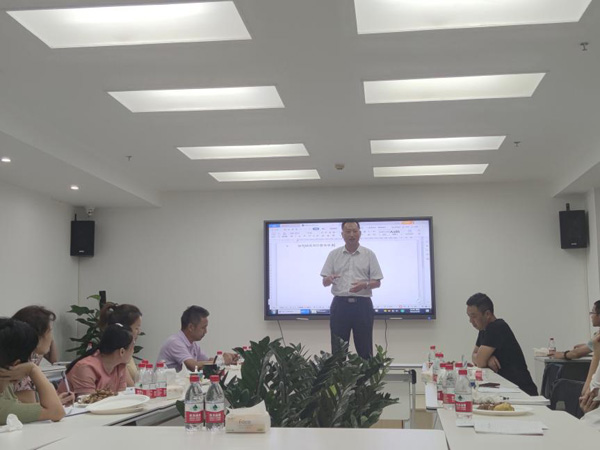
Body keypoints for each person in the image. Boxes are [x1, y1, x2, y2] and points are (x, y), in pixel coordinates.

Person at [321, 220, 383, 359]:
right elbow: (324, 282)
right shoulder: (334, 254)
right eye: (348, 231)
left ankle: (366, 374)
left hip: (362, 305)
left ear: (360, 233)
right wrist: (329, 279)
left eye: (355, 231)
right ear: (342, 234)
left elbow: (377, 282)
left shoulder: (369, 254)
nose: (351, 235)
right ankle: (338, 374)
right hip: (340, 305)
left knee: (365, 348)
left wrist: (364, 284)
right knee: (338, 350)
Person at [466, 292, 538, 396]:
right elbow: (474, 356)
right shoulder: (483, 330)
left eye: (474, 316)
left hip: (522, 391)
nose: (470, 321)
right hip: (506, 388)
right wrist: (487, 358)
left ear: (487, 314)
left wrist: (484, 359)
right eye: (469, 316)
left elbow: (480, 362)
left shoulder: (497, 327)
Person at [0, 318, 64, 425]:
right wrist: (33, 369)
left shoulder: (5, 385)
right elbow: (56, 412)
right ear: (16, 364)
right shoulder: (3, 408)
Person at [11, 306, 74, 405]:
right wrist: (52, 404)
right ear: (37, 336)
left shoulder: (28, 358)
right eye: (50, 331)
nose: (51, 337)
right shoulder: (17, 366)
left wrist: (56, 401)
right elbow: (27, 404)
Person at [58, 324, 134, 395]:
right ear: (122, 352)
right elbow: (88, 402)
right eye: (132, 347)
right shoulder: (86, 368)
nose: (133, 351)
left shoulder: (120, 366)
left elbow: (120, 397)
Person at [157, 306, 237, 372]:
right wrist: (222, 361)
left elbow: (207, 361)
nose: (206, 331)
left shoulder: (193, 344)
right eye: (203, 328)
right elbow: (194, 366)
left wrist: (228, 359)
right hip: (164, 386)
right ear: (191, 327)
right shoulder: (175, 342)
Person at [98, 302, 143, 386]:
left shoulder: (126, 353)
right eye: (136, 328)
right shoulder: (117, 357)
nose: (139, 332)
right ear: (124, 328)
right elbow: (131, 386)